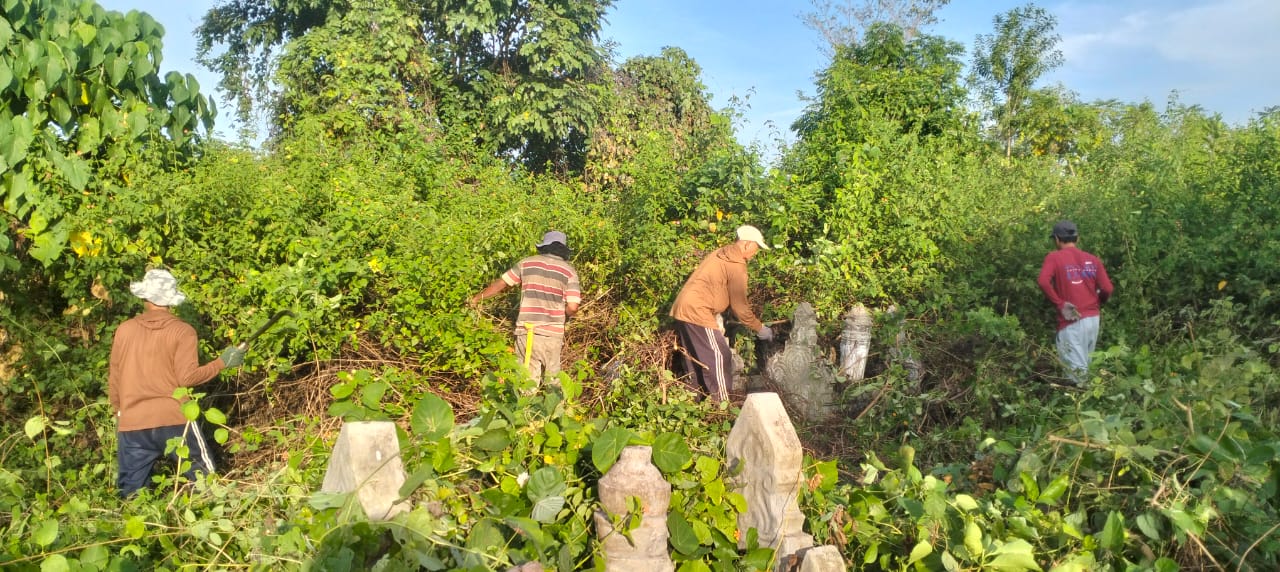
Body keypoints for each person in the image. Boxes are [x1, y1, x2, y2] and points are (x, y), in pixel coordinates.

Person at [109, 268, 246, 497]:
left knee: (131, 494)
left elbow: (115, 376)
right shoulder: (183, 331)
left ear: (144, 297)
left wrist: (120, 412)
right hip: (174, 418)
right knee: (205, 484)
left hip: (133, 421)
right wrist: (222, 363)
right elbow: (187, 378)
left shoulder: (124, 330)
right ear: (172, 300)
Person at [670, 225, 774, 403]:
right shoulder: (736, 265)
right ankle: (723, 407)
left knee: (695, 360)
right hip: (698, 311)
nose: (755, 253)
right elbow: (740, 307)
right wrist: (761, 329)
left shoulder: (721, 253)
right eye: (756, 248)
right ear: (747, 244)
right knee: (720, 356)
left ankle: (694, 403)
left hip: (685, 308)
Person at [471, 231, 582, 382]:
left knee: (526, 382)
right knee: (553, 382)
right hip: (553, 335)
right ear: (563, 250)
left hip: (527, 331)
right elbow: (573, 307)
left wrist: (476, 299)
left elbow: (502, 283)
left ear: (544, 247)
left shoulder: (527, 263)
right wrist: (564, 316)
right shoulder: (569, 271)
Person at [1037, 220, 1114, 385]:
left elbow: (1043, 281)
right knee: (1085, 366)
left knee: (1076, 376)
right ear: (1077, 238)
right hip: (1093, 319)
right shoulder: (1092, 259)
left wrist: (1059, 303)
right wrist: (1098, 302)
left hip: (1072, 320)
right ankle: (1091, 397)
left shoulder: (1054, 257)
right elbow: (1107, 288)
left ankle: (1079, 399)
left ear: (1057, 239)